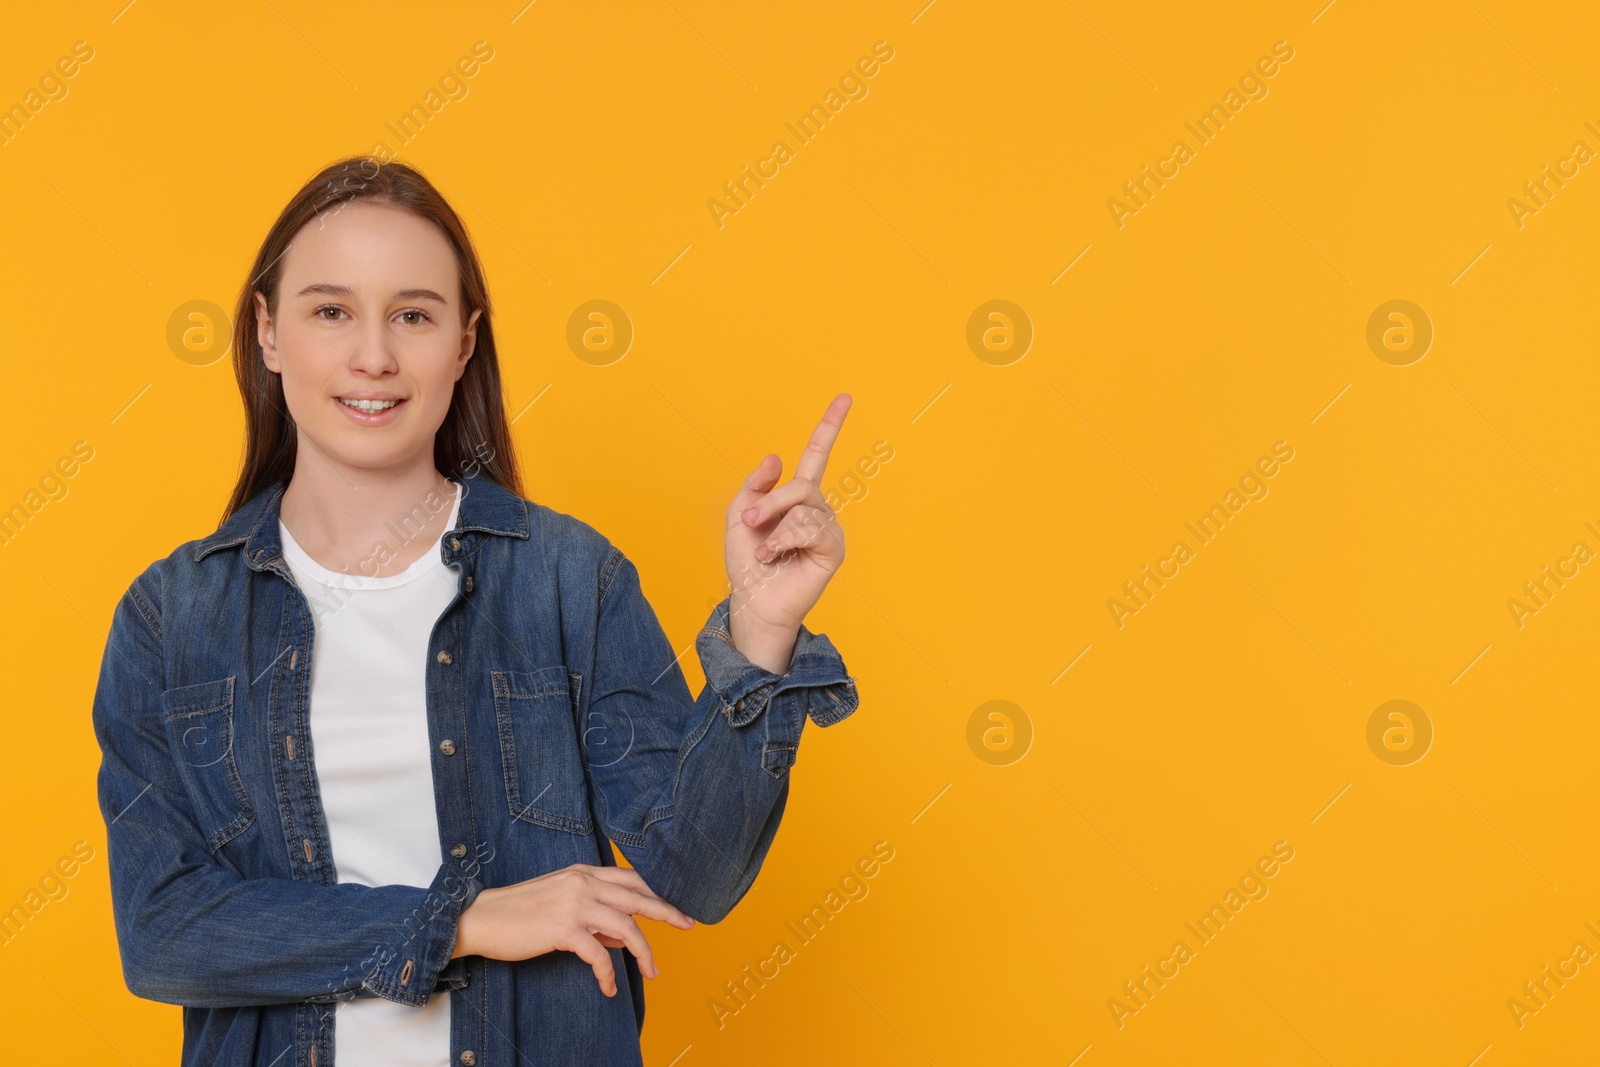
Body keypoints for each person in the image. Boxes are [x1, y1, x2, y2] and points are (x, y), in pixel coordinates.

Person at [90, 155, 861, 1066]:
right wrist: (463, 918)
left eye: (413, 314)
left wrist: (761, 633)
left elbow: (692, 871)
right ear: (266, 331)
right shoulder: (172, 617)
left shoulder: (570, 579)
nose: (373, 355)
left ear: (462, 343)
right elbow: (166, 930)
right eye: (331, 310)